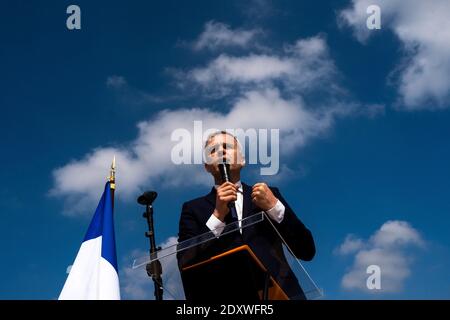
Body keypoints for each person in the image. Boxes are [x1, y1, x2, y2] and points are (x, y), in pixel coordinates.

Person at [177, 131, 315, 300]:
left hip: (281, 293)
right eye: (213, 150)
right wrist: (217, 215)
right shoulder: (193, 208)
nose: (221, 152)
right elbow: (184, 261)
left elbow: (306, 250)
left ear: (242, 160)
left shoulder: (270, 195)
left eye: (227, 147)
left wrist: (274, 207)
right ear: (206, 166)